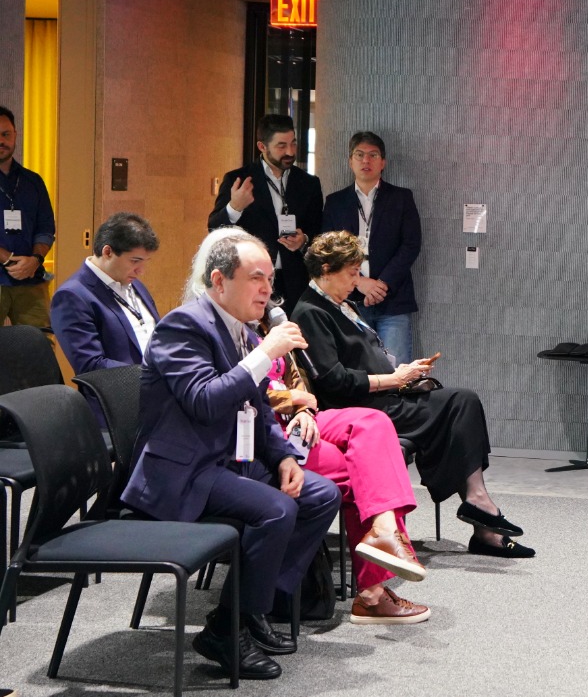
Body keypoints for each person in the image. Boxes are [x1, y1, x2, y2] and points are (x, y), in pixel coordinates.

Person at [122, 228, 341, 680]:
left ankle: (246, 609)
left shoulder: (240, 330)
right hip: (184, 470)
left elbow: (258, 409)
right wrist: (264, 355)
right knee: (277, 509)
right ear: (219, 281)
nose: (266, 289)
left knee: (321, 495)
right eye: (255, 278)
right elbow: (204, 401)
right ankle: (230, 627)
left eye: (270, 279)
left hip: (227, 459)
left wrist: (283, 457)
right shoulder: (183, 326)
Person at [292, 231, 533, 559]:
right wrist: (392, 379)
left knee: (461, 402)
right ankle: (481, 515)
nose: (356, 281)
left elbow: (365, 356)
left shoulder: (341, 305)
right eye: (351, 273)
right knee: (459, 405)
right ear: (325, 270)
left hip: (384, 396)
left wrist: (403, 372)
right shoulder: (311, 312)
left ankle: (480, 509)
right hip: (360, 409)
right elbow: (334, 381)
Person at [260, 331, 432, 624]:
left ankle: (385, 528)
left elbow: (296, 376)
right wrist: (290, 399)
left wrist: (303, 408)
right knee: (364, 469)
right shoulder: (222, 330)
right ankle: (372, 595)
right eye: (257, 283)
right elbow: (233, 389)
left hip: (301, 419)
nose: (264, 304)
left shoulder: (268, 323)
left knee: (373, 422)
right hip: (267, 430)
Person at [49, 212, 161, 425]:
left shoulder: (134, 284)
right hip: (115, 408)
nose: (141, 271)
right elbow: (91, 365)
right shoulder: (72, 296)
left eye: (145, 262)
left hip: (155, 397)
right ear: (107, 252)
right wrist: (152, 376)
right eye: (135, 261)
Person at [322, 131, 422, 360]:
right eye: (359, 155)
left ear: (383, 162)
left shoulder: (401, 198)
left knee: (397, 369)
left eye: (373, 155)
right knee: (356, 368)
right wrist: (359, 282)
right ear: (350, 161)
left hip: (393, 301)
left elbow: (411, 245)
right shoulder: (335, 202)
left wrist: (381, 284)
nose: (366, 160)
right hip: (349, 302)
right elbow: (328, 250)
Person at [208, 114, 324, 311]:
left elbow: (318, 230)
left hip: (295, 283)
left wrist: (303, 240)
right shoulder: (239, 180)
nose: (290, 151)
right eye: (281, 146)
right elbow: (214, 229)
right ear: (262, 147)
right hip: (251, 279)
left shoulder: (309, 183)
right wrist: (235, 207)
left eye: (293, 143)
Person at [0, 106, 55, 329]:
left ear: (15, 135)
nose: (1, 141)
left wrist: (35, 260)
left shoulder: (33, 182)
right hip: (9, 271)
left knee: (40, 343)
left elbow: (46, 228)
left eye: (5, 134)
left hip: (31, 280)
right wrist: (8, 259)